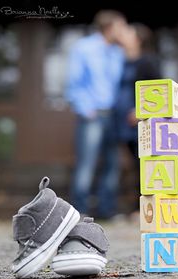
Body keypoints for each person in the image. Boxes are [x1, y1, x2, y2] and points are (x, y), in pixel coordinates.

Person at [65, 10, 127, 219]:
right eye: (121, 26)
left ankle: (106, 211)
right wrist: (85, 109)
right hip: (92, 114)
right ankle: (79, 212)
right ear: (110, 27)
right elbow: (74, 81)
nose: (124, 30)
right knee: (86, 165)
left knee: (112, 165)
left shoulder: (118, 52)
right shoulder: (84, 48)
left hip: (113, 116)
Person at [114, 23, 162, 212]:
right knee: (131, 165)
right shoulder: (121, 61)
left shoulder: (147, 61)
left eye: (128, 32)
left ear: (137, 39)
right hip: (122, 123)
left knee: (145, 166)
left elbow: (159, 91)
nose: (123, 34)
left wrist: (141, 110)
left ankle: (146, 209)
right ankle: (137, 207)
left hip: (141, 123)